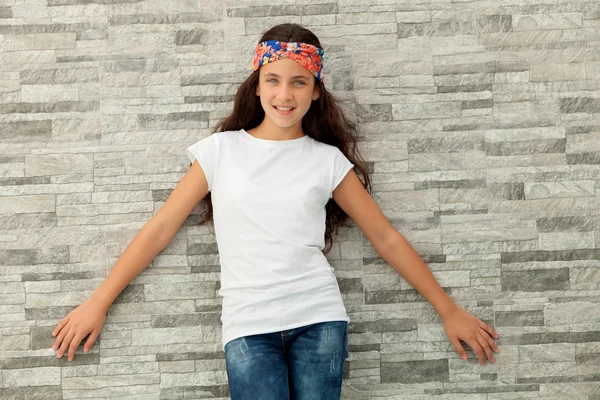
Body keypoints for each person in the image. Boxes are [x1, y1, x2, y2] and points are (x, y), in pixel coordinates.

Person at [51, 23, 499, 399]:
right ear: (257, 84)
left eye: (299, 81)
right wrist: (98, 302)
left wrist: (448, 309)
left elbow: (385, 237)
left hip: (319, 320)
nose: (285, 94)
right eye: (274, 79)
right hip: (248, 326)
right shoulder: (220, 151)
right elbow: (160, 228)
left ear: (316, 92)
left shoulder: (326, 160)